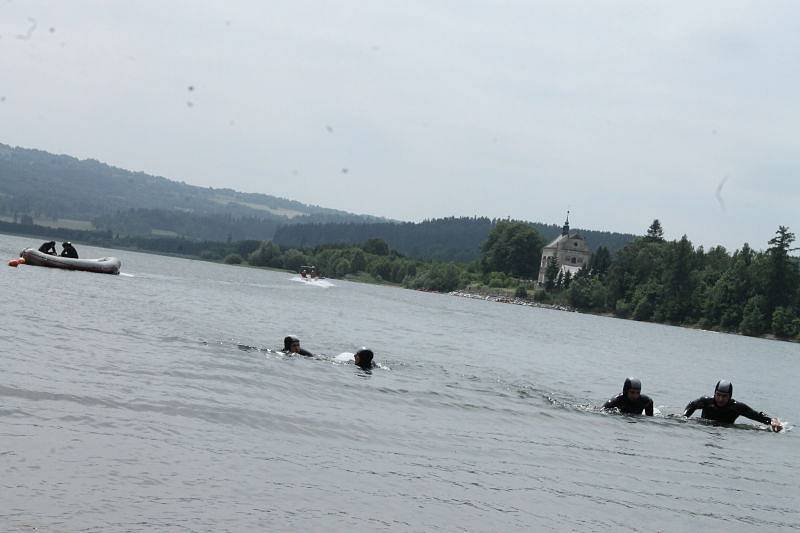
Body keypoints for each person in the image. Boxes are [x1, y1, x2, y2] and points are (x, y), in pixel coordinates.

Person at [684, 380, 783, 432]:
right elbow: (691, 405)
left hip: (726, 431)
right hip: (704, 428)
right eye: (718, 395)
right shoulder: (706, 401)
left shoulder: (736, 407)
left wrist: (772, 422)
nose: (720, 399)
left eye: (724, 396)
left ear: (730, 396)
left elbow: (756, 415)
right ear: (714, 393)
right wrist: (684, 417)